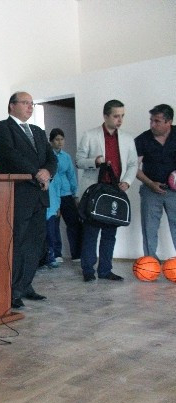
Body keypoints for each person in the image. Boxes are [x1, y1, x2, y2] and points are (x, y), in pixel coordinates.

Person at [0, 91, 57, 308]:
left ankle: (26, 284)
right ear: (12, 105)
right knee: (17, 242)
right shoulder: (1, 128)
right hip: (18, 194)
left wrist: (47, 171)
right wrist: (36, 173)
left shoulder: (38, 131)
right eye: (25, 103)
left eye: (32, 104)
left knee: (35, 243)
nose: (30, 107)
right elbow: (10, 155)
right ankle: (12, 290)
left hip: (39, 195)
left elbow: (51, 158)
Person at [76, 99, 138, 282]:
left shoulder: (127, 138)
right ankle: (88, 270)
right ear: (105, 116)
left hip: (116, 190)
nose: (120, 120)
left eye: (122, 116)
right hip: (95, 190)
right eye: (116, 116)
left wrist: (127, 182)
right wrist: (94, 161)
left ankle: (105, 270)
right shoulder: (90, 135)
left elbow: (133, 164)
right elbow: (79, 161)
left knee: (110, 233)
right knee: (91, 232)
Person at [134, 104, 176, 259]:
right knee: (149, 229)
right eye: (151, 120)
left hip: (174, 192)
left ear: (168, 122)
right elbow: (134, 168)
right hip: (150, 189)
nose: (152, 124)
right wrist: (150, 183)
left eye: (157, 121)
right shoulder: (142, 139)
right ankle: (150, 264)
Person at [48, 128, 82, 263]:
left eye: (62, 139)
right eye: (57, 139)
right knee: (54, 224)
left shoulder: (66, 156)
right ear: (51, 141)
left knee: (73, 223)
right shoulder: (47, 156)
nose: (60, 142)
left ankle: (76, 254)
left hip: (66, 193)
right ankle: (57, 253)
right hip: (52, 193)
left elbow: (71, 175)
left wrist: (75, 194)